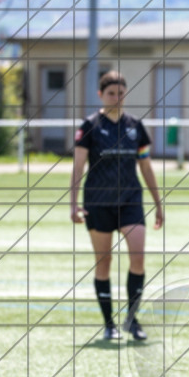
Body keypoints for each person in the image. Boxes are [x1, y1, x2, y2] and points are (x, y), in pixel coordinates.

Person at [69, 71, 164, 341]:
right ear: (101, 95)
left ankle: (132, 320)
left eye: (121, 93)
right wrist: (72, 204)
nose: (117, 97)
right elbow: (77, 167)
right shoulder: (89, 126)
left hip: (131, 200)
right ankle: (108, 323)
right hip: (98, 202)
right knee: (104, 261)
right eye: (111, 93)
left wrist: (158, 203)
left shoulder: (135, 126)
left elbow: (146, 166)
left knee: (138, 257)